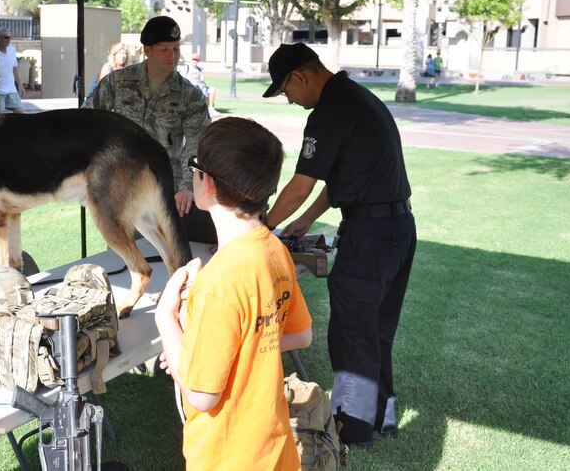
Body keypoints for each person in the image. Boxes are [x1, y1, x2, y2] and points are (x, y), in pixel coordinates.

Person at [261, 42, 417, 448]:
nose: (291, 100)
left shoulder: (328, 111)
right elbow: (344, 178)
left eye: (287, 91)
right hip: (398, 228)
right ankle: (382, 416)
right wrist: (307, 220)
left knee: (352, 332)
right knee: (376, 330)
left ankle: (352, 428)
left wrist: (262, 228)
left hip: (369, 237)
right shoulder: (357, 98)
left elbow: (300, 185)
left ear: (300, 76)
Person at [156, 117, 313, 470]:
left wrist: (166, 319)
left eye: (194, 167)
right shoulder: (274, 250)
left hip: (227, 457)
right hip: (273, 449)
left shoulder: (217, 283)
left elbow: (201, 395)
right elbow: (300, 334)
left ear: (206, 183)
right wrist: (192, 352)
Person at [83, 15, 215, 243]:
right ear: (147, 50)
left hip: (167, 194)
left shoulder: (190, 95)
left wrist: (187, 187)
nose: (171, 56)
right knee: (125, 255)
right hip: (120, 190)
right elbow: (86, 120)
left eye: (175, 49)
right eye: (164, 49)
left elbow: (198, 144)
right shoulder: (118, 82)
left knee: (168, 255)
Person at [0, 27, 25, 113]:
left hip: (11, 89)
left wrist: (20, 85)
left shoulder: (12, 50)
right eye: (6, 37)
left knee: (20, 113)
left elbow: (15, 68)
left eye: (10, 37)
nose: (9, 40)